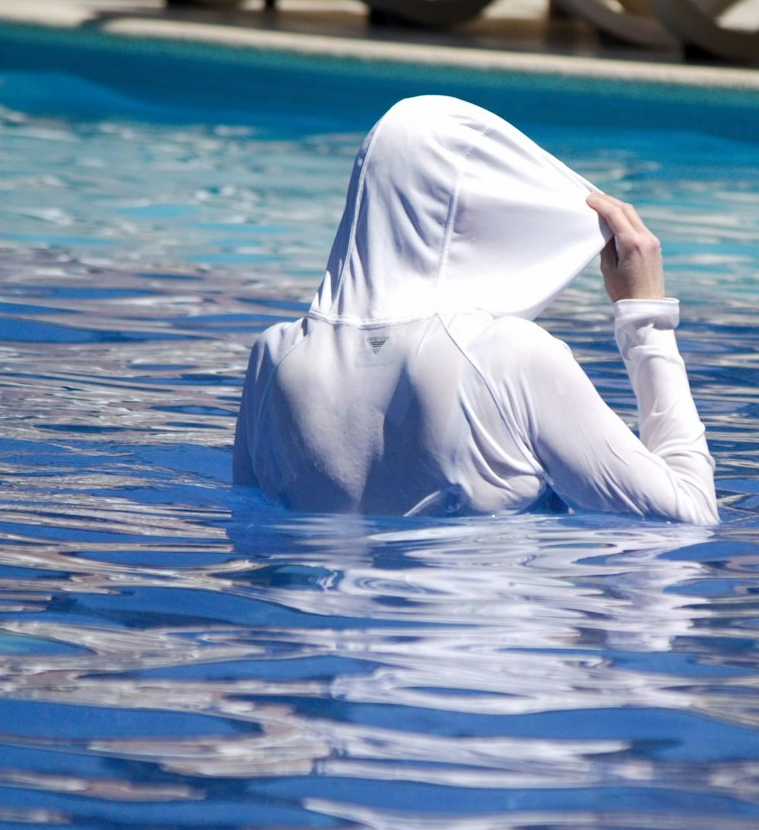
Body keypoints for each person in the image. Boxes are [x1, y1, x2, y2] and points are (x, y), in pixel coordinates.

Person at [233, 95, 718, 524]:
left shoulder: (274, 357)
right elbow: (688, 515)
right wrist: (645, 318)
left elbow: (250, 529)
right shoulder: (505, 355)